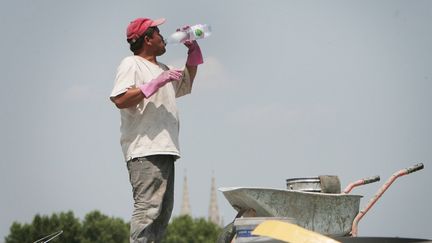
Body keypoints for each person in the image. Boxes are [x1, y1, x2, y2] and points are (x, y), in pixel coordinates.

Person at [109, 17, 203, 243]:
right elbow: (120, 98)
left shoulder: (163, 68)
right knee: (148, 210)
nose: (163, 38)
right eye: (158, 33)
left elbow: (187, 82)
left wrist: (193, 49)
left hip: (164, 149)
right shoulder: (131, 64)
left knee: (161, 215)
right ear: (147, 39)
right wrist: (154, 83)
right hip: (144, 150)